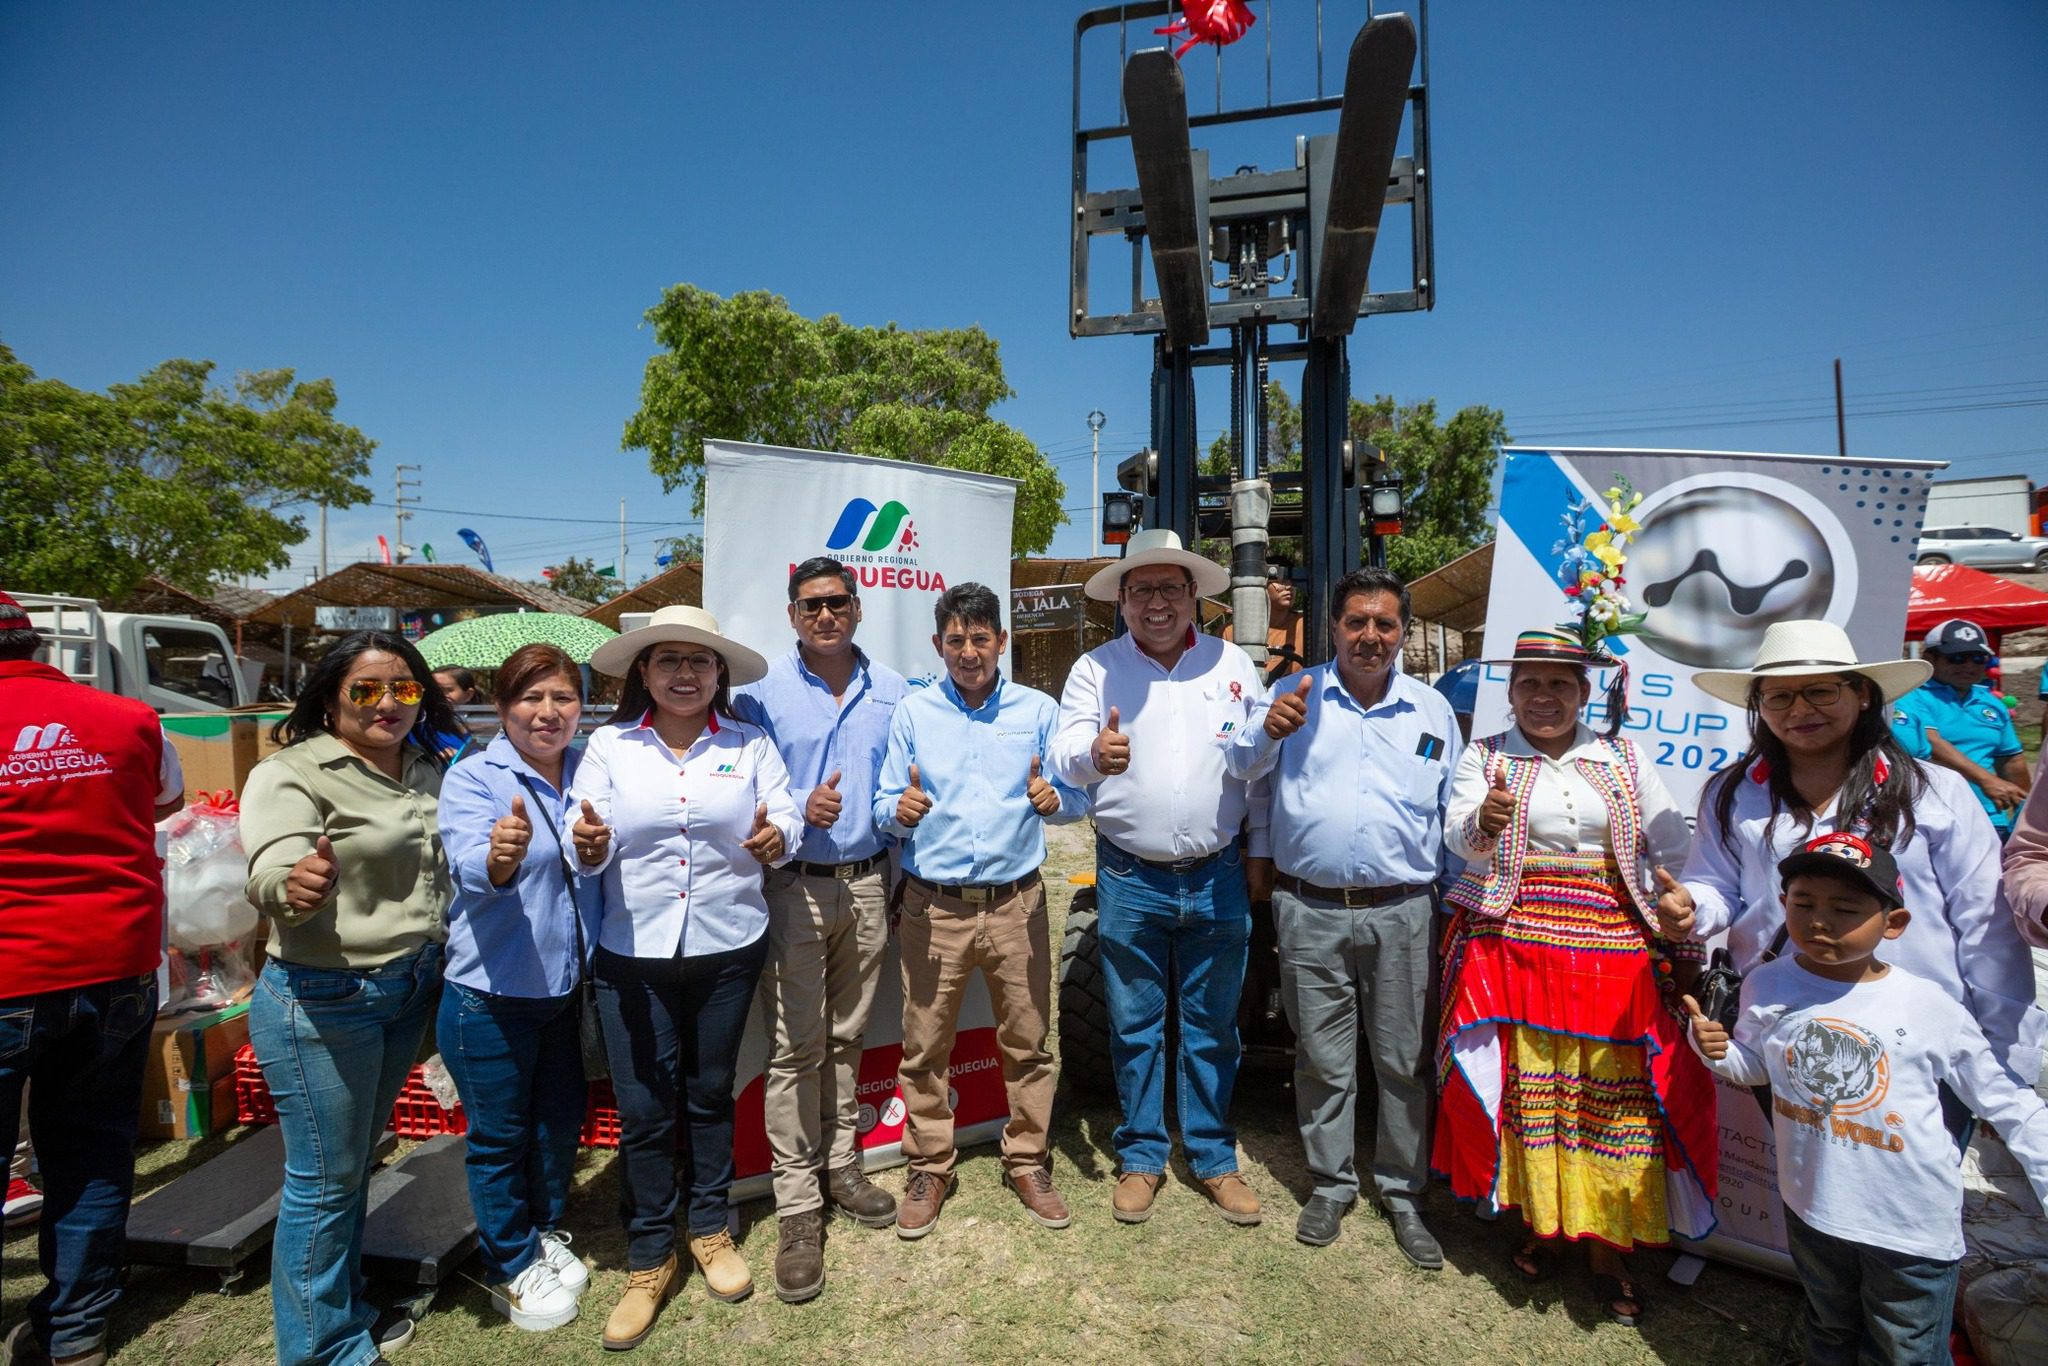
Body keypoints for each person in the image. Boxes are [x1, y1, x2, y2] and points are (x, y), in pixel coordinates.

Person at [1685, 833, 2048, 1364]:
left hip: (1908, 1228)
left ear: (1893, 923)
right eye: (1804, 904)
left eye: (1846, 909)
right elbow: (1757, 1068)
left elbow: (2006, 1101)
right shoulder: (1767, 983)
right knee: (1829, 1330)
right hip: (1812, 1209)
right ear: (1783, 905)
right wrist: (1712, 1047)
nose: (1820, 921)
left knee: (1904, 1351)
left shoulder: (1928, 1006)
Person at [1436, 628, 1711, 1323]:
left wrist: (1665, 885)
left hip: (1610, 947)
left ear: (1584, 693)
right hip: (1515, 939)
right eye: (1529, 684)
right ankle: (1542, 1224)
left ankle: (1607, 1244)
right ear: (1511, 693)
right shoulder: (1487, 755)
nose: (1543, 697)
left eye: (1559, 684)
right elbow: (1458, 839)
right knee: (1536, 1088)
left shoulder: (1618, 756)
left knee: (1609, 1093)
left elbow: (1670, 839)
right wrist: (1487, 823)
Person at [1658, 620, 2047, 1103]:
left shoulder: (1933, 792)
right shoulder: (1732, 792)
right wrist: (1693, 907)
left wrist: (2006, 1057)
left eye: (1820, 691)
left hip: (1915, 1039)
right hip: (1778, 1032)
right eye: (1778, 697)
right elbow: (1716, 884)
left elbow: (1986, 926)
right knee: (1798, 1177)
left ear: (1863, 694)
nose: (1799, 710)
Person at [570, 606, 800, 1349]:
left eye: (700, 662)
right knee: (643, 1106)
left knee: (707, 1092)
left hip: (729, 946)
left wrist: (777, 838)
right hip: (631, 954)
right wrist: (591, 843)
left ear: (718, 675)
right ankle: (648, 1257)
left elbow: (787, 819)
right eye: (668, 660)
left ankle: (709, 1227)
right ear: (643, 671)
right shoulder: (607, 746)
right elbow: (586, 843)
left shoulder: (749, 743)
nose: (684, 673)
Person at [1233, 569, 1463, 1270]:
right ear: (1332, 628)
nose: (1370, 636)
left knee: (1401, 1061)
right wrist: (1268, 733)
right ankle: (1332, 1184)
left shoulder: (1432, 713)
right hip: (1311, 909)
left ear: (1402, 632)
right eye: (1356, 622)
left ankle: (1401, 1190)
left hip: (1404, 913)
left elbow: (1452, 816)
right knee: (1323, 1060)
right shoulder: (1291, 695)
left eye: (1384, 624)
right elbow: (1245, 770)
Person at [241, 630, 458, 1366]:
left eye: (405, 688)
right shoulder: (295, 772)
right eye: (366, 690)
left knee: (355, 1160)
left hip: (406, 989)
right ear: (331, 696)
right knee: (325, 1178)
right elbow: (273, 867)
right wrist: (292, 886)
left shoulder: (428, 766)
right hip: (323, 999)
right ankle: (321, 1348)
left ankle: (342, 1303)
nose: (388, 704)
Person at [1048, 528, 1267, 1226]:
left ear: (1194, 595)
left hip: (1217, 876)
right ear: (1121, 601)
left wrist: (1259, 842)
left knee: (1211, 1024)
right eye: (1140, 589)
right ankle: (1142, 1154)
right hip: (1130, 876)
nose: (1156, 601)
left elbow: (1254, 765)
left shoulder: (1233, 665)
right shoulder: (1095, 670)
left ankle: (1211, 1154)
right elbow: (1063, 751)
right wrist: (1094, 752)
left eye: (1170, 587)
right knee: (1135, 1024)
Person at [0, 590, 184, 1366]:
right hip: (115, 965)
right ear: (35, 645)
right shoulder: (130, 718)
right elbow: (166, 799)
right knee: (90, 1151)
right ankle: (76, 1332)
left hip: (12, 964)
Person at [873, 584, 1087, 1239]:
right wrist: (897, 813)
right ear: (939, 645)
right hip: (934, 907)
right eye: (956, 640)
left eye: (981, 638)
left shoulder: (1036, 711)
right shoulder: (913, 713)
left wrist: (1057, 802)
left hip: (1017, 902)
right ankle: (930, 1166)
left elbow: (1077, 797)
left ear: (1001, 641)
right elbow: (884, 803)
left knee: (1027, 1043)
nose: (969, 651)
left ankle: (1026, 1160)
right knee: (924, 1047)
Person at [730, 558, 906, 1302]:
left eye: (837, 603)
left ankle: (842, 1168)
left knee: (846, 1038)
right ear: (792, 613)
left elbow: (906, 788)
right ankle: (798, 1205)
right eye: (811, 606)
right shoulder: (756, 700)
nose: (826, 615)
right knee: (794, 1047)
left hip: (868, 885)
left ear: (858, 608)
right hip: (792, 890)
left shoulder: (895, 692)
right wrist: (803, 808)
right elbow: (732, 794)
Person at [433, 644, 602, 1332]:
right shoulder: (474, 777)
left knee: (558, 1123)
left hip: (564, 991)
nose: (548, 712)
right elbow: (472, 864)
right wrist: (500, 858)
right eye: (530, 699)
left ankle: (542, 1229)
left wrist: (598, 848)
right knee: (500, 1137)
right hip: (489, 996)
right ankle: (509, 1264)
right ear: (501, 708)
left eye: (562, 697)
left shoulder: (593, 766)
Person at [1890, 618, 2031, 840]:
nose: (1969, 666)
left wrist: (2026, 810)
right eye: (1956, 658)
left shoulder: (1991, 702)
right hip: (1934, 814)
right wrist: (1987, 780)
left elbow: (2011, 759)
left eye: (1978, 658)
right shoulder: (1912, 695)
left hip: (1991, 817)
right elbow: (1932, 743)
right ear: (1929, 659)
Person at [1221, 559, 1306, 683]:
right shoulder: (1231, 632)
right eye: (1280, 581)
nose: (1288, 587)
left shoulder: (1304, 625)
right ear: (1261, 584)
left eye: (1292, 582)